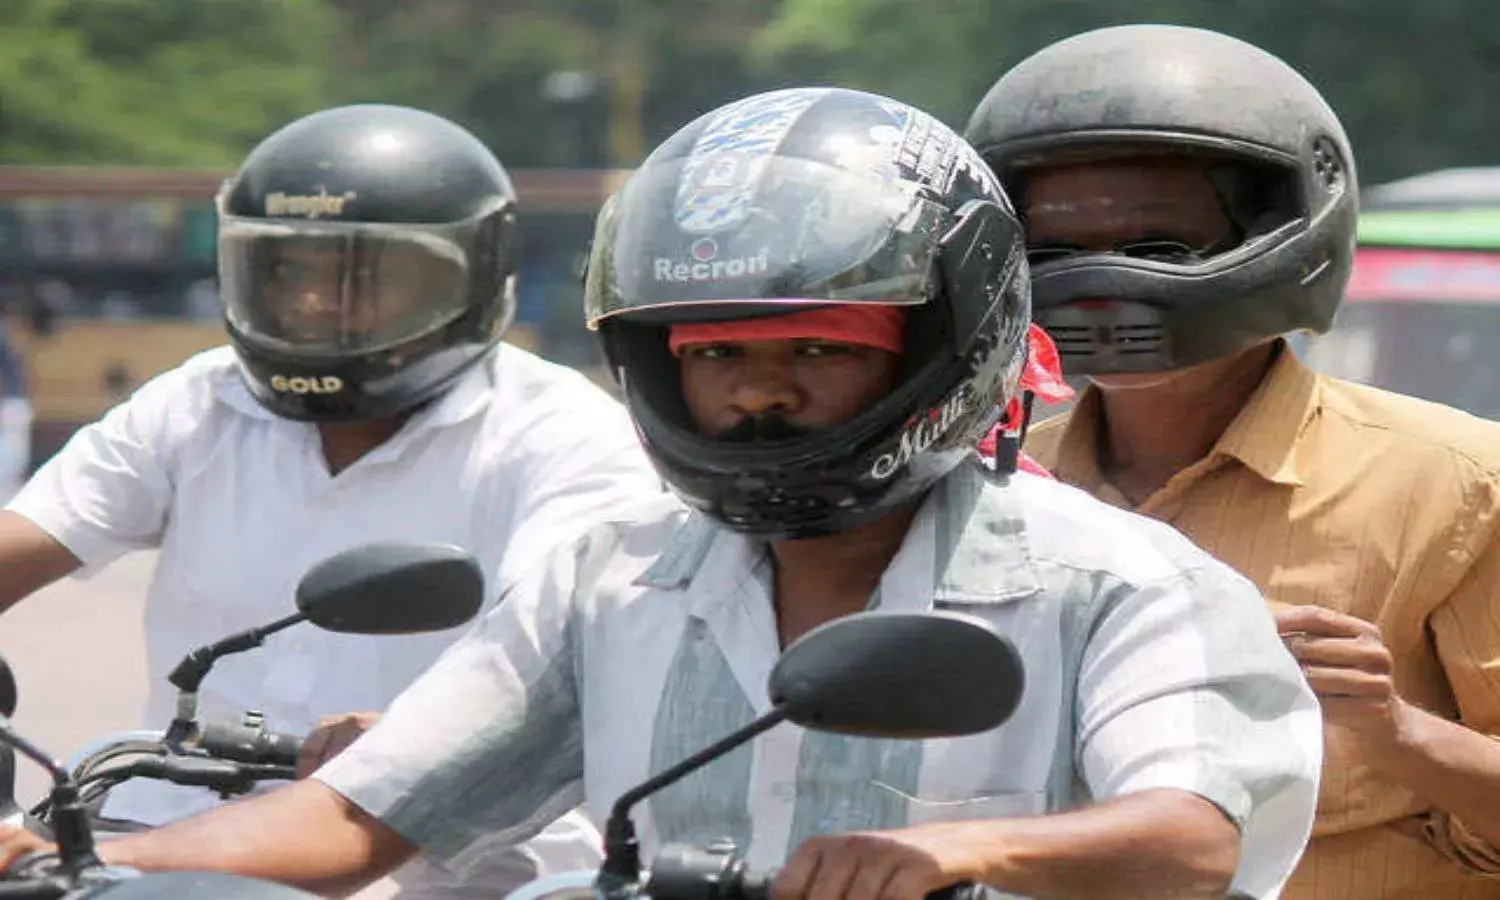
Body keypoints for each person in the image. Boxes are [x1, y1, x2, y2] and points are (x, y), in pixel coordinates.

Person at [0, 87, 1320, 900]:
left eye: (815, 349)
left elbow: (1194, 837)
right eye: (721, 356)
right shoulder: (613, 575)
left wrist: (968, 854)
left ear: (937, 346)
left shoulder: (1119, 585)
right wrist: (71, 863)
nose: (762, 393)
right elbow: (356, 819)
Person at [0, 104, 663, 894]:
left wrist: (416, 740)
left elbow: (539, 666)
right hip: (156, 849)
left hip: (448, 869)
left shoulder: (569, 441)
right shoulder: (200, 402)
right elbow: (26, 539)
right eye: (288, 271)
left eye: (366, 278)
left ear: (471, 275)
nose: (317, 304)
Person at [965, 23, 1500, 900]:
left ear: (1282, 233)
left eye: (1162, 248)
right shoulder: (1000, 493)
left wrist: (1395, 731)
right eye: (1059, 254)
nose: (1108, 284)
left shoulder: (1459, 483)